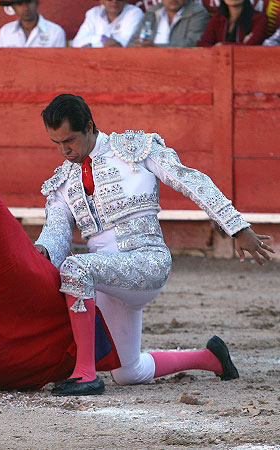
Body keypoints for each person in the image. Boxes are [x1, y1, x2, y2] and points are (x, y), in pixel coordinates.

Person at [34, 94, 274, 396]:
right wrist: (40, 252)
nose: (64, 150)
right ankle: (210, 358)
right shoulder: (62, 183)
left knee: (74, 267)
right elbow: (55, 234)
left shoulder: (134, 149)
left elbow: (189, 180)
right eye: (56, 143)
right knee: (128, 372)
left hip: (147, 261)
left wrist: (236, 226)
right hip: (105, 279)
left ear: (90, 127)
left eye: (69, 140)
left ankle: (85, 374)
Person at [129, 0, 209, 47]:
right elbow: (133, 42)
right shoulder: (152, 12)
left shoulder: (197, 13)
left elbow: (193, 43)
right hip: (147, 62)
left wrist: (156, 47)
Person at [71, 0, 143, 48]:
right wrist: (102, 39)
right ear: (101, 1)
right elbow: (77, 43)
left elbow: (125, 43)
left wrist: (91, 45)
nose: (114, 1)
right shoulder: (93, 13)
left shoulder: (134, 13)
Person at [0, 0, 66, 48]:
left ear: (36, 3)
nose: (25, 8)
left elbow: (58, 64)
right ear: (13, 7)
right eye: (19, 4)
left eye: (29, 2)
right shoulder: (5, 31)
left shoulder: (55, 32)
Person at [198, 0, 268, 46]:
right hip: (218, 62)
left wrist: (221, 45)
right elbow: (203, 44)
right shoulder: (217, 18)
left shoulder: (260, 19)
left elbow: (251, 46)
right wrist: (241, 44)